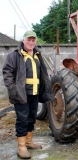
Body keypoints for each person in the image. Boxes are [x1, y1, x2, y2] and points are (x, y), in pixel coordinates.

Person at [2, 31, 53, 159]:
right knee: (22, 120)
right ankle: (22, 147)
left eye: (33, 40)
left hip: (34, 93)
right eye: (28, 40)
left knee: (31, 118)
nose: (31, 42)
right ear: (23, 40)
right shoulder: (15, 55)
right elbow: (7, 72)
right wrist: (12, 89)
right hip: (21, 94)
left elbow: (42, 73)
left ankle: (29, 142)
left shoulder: (37, 55)